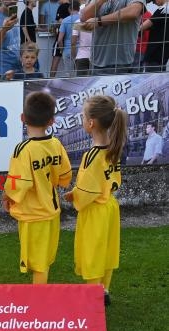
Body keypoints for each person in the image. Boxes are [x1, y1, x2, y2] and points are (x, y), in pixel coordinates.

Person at [64, 95, 128, 306]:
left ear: (90, 123)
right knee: (107, 250)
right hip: (110, 206)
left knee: (93, 251)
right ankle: (104, 290)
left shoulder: (91, 156)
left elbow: (87, 190)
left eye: (83, 116)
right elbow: (111, 181)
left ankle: (92, 295)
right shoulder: (114, 148)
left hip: (95, 210)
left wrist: (76, 195)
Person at [3, 92, 72, 284]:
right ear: (51, 121)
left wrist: (7, 197)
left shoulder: (23, 149)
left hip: (33, 214)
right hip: (51, 211)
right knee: (44, 260)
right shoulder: (56, 144)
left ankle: (38, 302)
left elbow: (18, 183)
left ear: (23, 118)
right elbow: (65, 176)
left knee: (38, 264)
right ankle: (40, 296)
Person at [79, 0, 145, 74]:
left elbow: (133, 12)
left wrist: (99, 21)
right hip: (95, 61)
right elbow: (84, 18)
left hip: (119, 63)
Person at [0, 0, 22, 77]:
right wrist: (4, 29)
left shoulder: (13, 16)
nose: (12, 1)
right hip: (0, 74)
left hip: (15, 72)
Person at [141, 0, 169, 72]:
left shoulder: (163, 10)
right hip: (164, 53)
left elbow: (142, 27)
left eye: (154, 0)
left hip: (154, 52)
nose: (153, 2)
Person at [57, 0, 80, 76]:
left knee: (68, 76)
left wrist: (62, 50)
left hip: (67, 50)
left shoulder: (65, 21)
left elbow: (59, 39)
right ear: (79, 9)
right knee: (81, 75)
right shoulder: (84, 19)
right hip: (81, 51)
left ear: (69, 9)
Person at [71, 9, 93, 76]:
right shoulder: (96, 21)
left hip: (81, 56)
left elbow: (73, 42)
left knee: (81, 82)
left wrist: (74, 57)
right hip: (95, 57)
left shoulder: (78, 22)